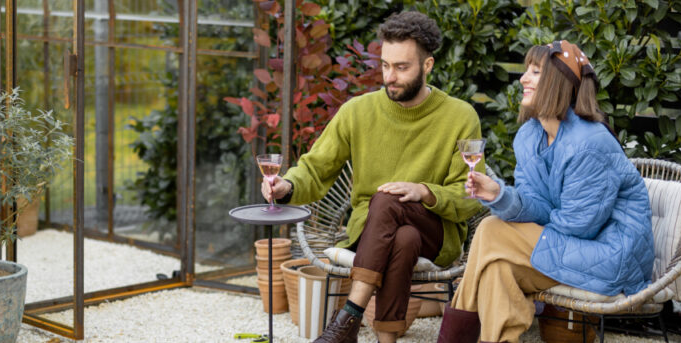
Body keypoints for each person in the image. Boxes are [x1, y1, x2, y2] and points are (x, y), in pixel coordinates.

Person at [262, 11, 484, 343]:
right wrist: (287, 186)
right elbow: (315, 167)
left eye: (401, 67)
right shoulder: (358, 111)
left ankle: (348, 317)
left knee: (388, 199)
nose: (390, 76)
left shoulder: (460, 116)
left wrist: (423, 191)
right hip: (372, 231)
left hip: (436, 230)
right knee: (403, 237)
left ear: (428, 66)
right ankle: (386, 340)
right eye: (385, 65)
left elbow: (470, 195)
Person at [436, 40, 654, 343]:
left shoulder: (590, 143)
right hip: (569, 252)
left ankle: (451, 340)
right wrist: (499, 194)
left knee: (491, 230)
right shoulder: (530, 136)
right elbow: (536, 204)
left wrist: (519, 234)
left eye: (535, 72)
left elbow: (581, 226)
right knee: (496, 266)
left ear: (558, 83)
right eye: (526, 70)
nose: (523, 78)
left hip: (610, 257)